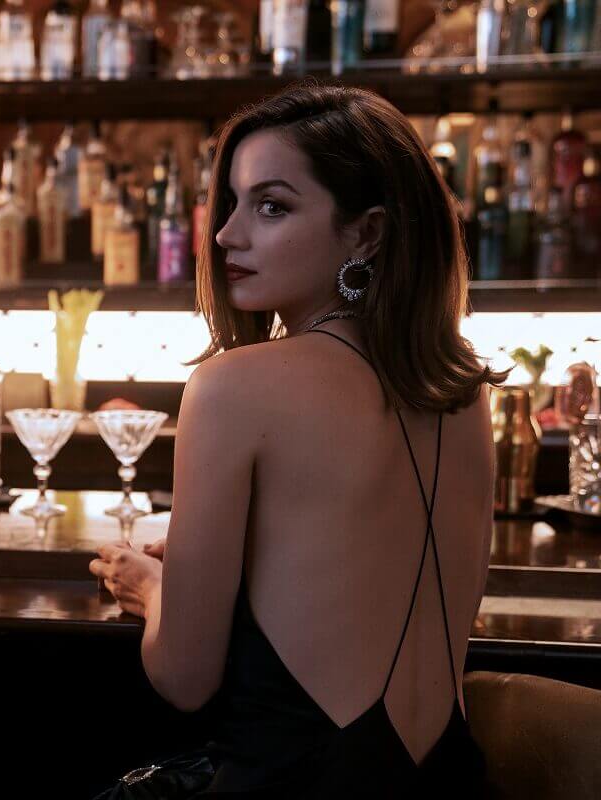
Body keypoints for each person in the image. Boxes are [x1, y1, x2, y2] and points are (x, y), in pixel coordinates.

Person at [91, 84, 506, 796]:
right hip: (450, 781)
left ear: (367, 233)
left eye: (272, 206)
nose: (227, 234)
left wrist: (156, 590)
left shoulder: (232, 388)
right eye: (232, 202)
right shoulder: (463, 392)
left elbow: (184, 679)